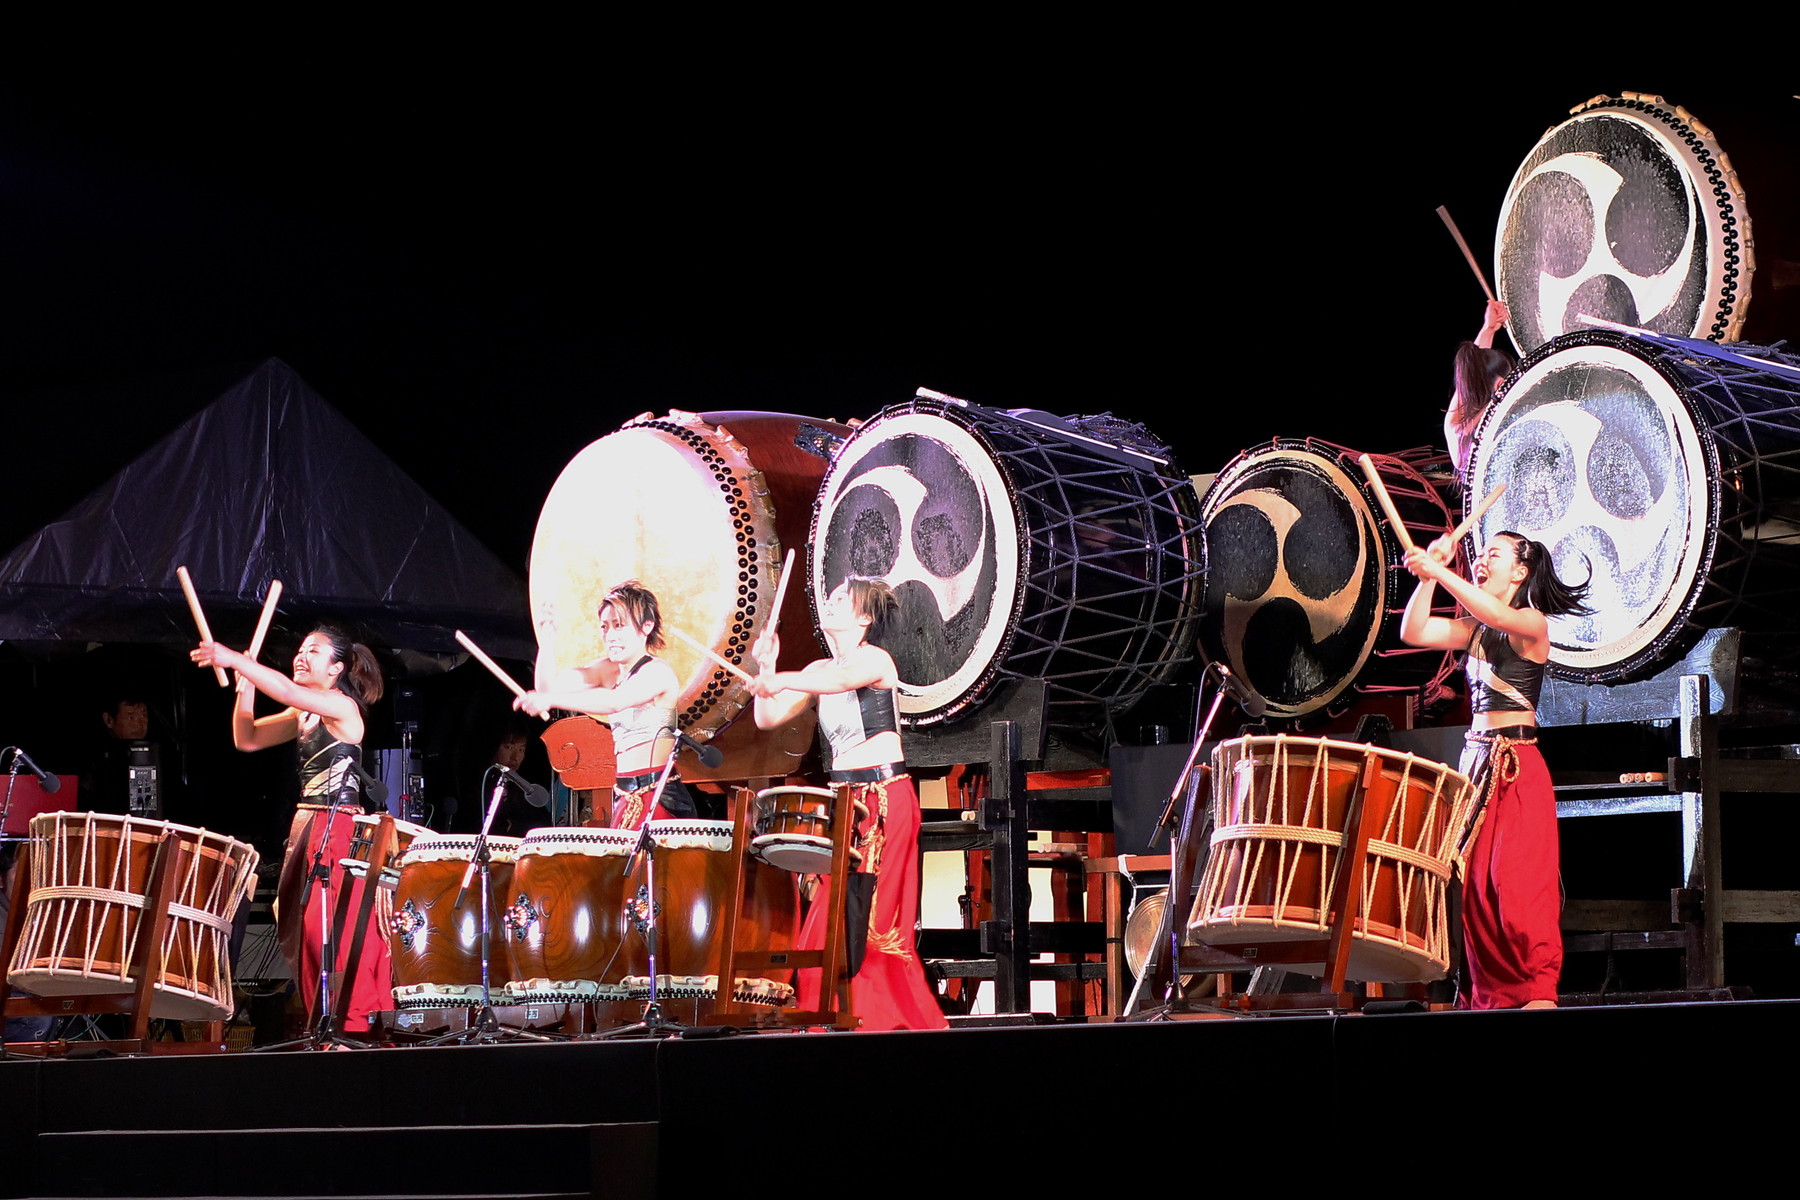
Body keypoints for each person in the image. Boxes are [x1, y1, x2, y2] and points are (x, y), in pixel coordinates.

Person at [1400, 531, 1588, 1009]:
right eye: (1480, 553)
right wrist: (1429, 578)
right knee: (1477, 888)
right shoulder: (1474, 627)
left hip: (1518, 766)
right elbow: (1414, 631)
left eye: (1494, 554)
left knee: (1519, 885)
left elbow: (1497, 614)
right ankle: (1491, 996)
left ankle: (1535, 990)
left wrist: (1439, 571)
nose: (1482, 559)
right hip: (1478, 767)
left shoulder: (1529, 622)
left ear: (1520, 572)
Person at [751, 576, 946, 1031]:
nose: (832, 602)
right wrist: (768, 669)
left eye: (844, 599)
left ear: (864, 617)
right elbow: (767, 717)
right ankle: (831, 1017)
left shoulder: (874, 659)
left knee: (874, 920)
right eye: (831, 596)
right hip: (844, 802)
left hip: (883, 798)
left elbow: (840, 681)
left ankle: (884, 1023)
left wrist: (776, 677)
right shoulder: (817, 668)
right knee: (829, 914)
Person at [190, 627, 391, 1033]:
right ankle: (325, 1023)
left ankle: (350, 1024)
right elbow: (247, 738)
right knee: (305, 930)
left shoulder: (341, 705)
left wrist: (236, 659)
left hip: (338, 826)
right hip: (307, 826)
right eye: (300, 650)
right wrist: (245, 687)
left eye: (313, 652)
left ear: (336, 668)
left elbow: (283, 688)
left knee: (332, 927)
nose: (301, 657)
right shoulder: (304, 712)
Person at [514, 580, 694, 827]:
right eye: (605, 627)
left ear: (646, 627)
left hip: (660, 798)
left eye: (619, 626)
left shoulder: (657, 672)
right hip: (625, 796)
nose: (610, 636)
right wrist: (547, 643)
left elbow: (615, 702)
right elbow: (547, 688)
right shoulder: (606, 670)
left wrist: (550, 699)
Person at [1443, 299, 1515, 485]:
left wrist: (1489, 328)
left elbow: (1475, 368)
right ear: (1500, 384)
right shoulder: (1467, 431)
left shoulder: (1456, 419)